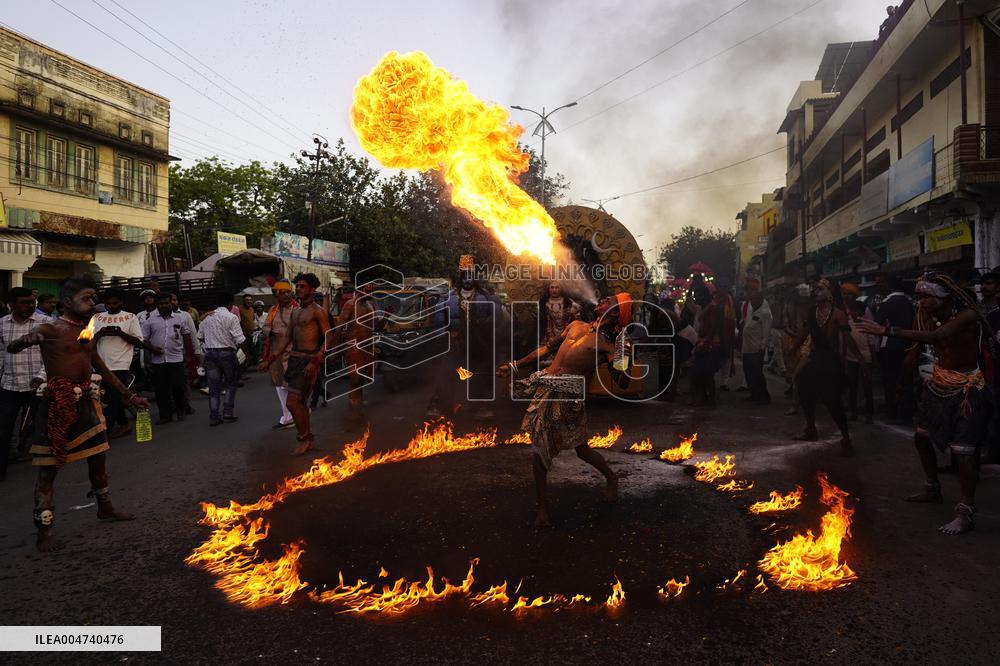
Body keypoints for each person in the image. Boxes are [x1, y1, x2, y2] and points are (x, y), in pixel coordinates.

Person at [8, 274, 148, 551]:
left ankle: (104, 507)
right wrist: (28, 339)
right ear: (67, 301)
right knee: (48, 471)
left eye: (93, 297)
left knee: (98, 460)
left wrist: (129, 395)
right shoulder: (51, 329)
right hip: (58, 406)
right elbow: (12, 348)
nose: (93, 302)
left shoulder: (87, 331)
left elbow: (102, 370)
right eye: (87, 298)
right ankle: (44, 530)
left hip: (86, 403)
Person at [859, 274, 994, 534]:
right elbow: (915, 348)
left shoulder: (967, 315)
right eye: (918, 297)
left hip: (968, 389)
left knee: (963, 451)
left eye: (926, 297)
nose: (921, 302)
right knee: (921, 437)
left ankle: (965, 511)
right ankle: (932, 488)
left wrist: (886, 330)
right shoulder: (924, 316)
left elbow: (937, 336)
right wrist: (903, 382)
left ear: (943, 296)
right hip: (938, 385)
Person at [497, 293, 631, 527]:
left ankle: (611, 477)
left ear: (617, 313)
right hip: (547, 388)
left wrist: (622, 354)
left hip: (571, 395)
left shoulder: (610, 344)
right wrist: (514, 365)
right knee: (540, 447)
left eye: (609, 301)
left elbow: (622, 381)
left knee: (581, 450)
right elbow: (546, 350)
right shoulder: (575, 324)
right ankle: (542, 509)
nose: (602, 301)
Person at [789, 279, 853, 455]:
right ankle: (811, 429)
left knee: (832, 401)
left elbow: (846, 340)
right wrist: (793, 347)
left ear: (830, 293)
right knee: (802, 384)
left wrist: (857, 359)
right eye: (815, 289)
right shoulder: (812, 312)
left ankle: (846, 438)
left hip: (830, 360)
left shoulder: (838, 314)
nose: (816, 292)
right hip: (815, 357)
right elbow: (804, 332)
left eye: (820, 289)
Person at [270, 273, 329, 455]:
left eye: (302, 286)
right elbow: (287, 338)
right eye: (298, 286)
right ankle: (307, 438)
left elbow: (329, 336)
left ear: (312, 289)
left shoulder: (318, 311)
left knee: (292, 402)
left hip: (308, 361)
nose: (298, 289)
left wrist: (317, 359)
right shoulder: (296, 312)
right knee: (300, 402)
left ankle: (303, 438)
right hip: (294, 360)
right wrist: (270, 360)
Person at [0, 288, 46, 481]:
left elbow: (53, 355)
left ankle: (50, 465)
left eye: (32, 301)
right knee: (3, 429)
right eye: (24, 302)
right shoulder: (2, 324)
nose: (30, 305)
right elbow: (1, 354)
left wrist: (42, 376)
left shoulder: (46, 323)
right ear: (11, 304)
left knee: (45, 427)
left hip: (39, 385)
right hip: (10, 384)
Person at [92, 288, 150, 439]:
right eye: (108, 303)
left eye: (115, 303)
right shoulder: (96, 317)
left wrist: (120, 333)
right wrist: (100, 334)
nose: (111, 306)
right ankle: (124, 425)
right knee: (110, 398)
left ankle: (106, 430)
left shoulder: (130, 317)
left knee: (111, 398)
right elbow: (86, 341)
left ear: (121, 302)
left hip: (120, 364)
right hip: (99, 364)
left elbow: (138, 341)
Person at [330, 284, 383, 429]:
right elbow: (339, 327)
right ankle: (353, 417)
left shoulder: (371, 306)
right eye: (367, 290)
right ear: (359, 290)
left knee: (360, 383)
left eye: (371, 291)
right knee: (355, 381)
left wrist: (388, 316)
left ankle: (357, 413)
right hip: (354, 349)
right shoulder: (350, 305)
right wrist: (335, 350)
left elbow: (377, 327)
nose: (369, 293)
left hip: (367, 349)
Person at [141, 292, 197, 424]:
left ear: (171, 303)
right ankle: (165, 415)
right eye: (160, 303)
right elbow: (142, 340)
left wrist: (189, 354)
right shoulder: (150, 321)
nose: (164, 305)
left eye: (166, 303)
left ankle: (181, 410)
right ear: (157, 305)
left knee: (178, 386)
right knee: (161, 389)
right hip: (158, 361)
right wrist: (152, 349)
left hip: (176, 358)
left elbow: (187, 336)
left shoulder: (180, 318)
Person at [198, 292, 246, 426]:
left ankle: (214, 416)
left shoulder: (206, 318)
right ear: (230, 304)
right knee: (231, 383)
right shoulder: (231, 317)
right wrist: (248, 354)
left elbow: (200, 336)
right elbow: (240, 339)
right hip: (227, 353)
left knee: (214, 387)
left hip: (210, 354)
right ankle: (227, 412)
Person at [871, 273, 915, 421]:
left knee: (890, 381)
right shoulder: (908, 302)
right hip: (908, 346)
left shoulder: (887, 303)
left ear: (888, 286)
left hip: (889, 347)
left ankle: (892, 413)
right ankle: (906, 413)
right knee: (905, 380)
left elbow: (878, 324)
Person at [259, 280, 297, 430]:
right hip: (275, 353)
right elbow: (265, 327)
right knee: (279, 385)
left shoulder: (297, 309)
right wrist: (271, 332)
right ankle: (287, 417)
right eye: (282, 293)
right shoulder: (273, 310)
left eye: (288, 292)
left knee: (293, 385)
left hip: (293, 352)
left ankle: (297, 413)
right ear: (277, 296)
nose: (286, 295)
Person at [978, 271, 1000, 462]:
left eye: (989, 283)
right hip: (984, 368)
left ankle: (994, 451)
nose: (985, 287)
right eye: (983, 284)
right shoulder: (979, 309)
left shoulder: (996, 311)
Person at [844, 299, 875, 423]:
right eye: (853, 311)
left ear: (862, 313)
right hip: (851, 358)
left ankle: (869, 414)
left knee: (867, 387)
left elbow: (872, 344)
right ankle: (853, 412)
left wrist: (873, 361)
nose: (855, 313)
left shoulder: (867, 324)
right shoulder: (848, 323)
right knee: (852, 386)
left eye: (857, 311)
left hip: (866, 359)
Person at [740, 288, 772, 404]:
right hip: (747, 347)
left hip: (757, 348)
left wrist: (763, 348)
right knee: (749, 373)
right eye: (751, 299)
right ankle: (754, 394)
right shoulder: (750, 310)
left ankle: (763, 396)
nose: (753, 301)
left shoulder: (765, 313)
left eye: (755, 299)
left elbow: (766, 332)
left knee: (757, 374)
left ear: (761, 299)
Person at [538, 282, 581, 348]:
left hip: (566, 336)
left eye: (557, 287)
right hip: (549, 337)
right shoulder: (544, 303)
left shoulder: (569, 302)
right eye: (552, 287)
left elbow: (577, 320)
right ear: (548, 289)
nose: (554, 290)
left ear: (561, 289)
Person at [238, 294, 257, 364]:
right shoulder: (239, 309)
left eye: (250, 300)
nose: (249, 301)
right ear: (243, 301)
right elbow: (237, 321)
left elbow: (252, 320)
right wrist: (241, 331)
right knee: (243, 352)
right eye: (247, 300)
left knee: (251, 349)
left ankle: (250, 364)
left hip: (251, 334)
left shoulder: (252, 309)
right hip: (243, 334)